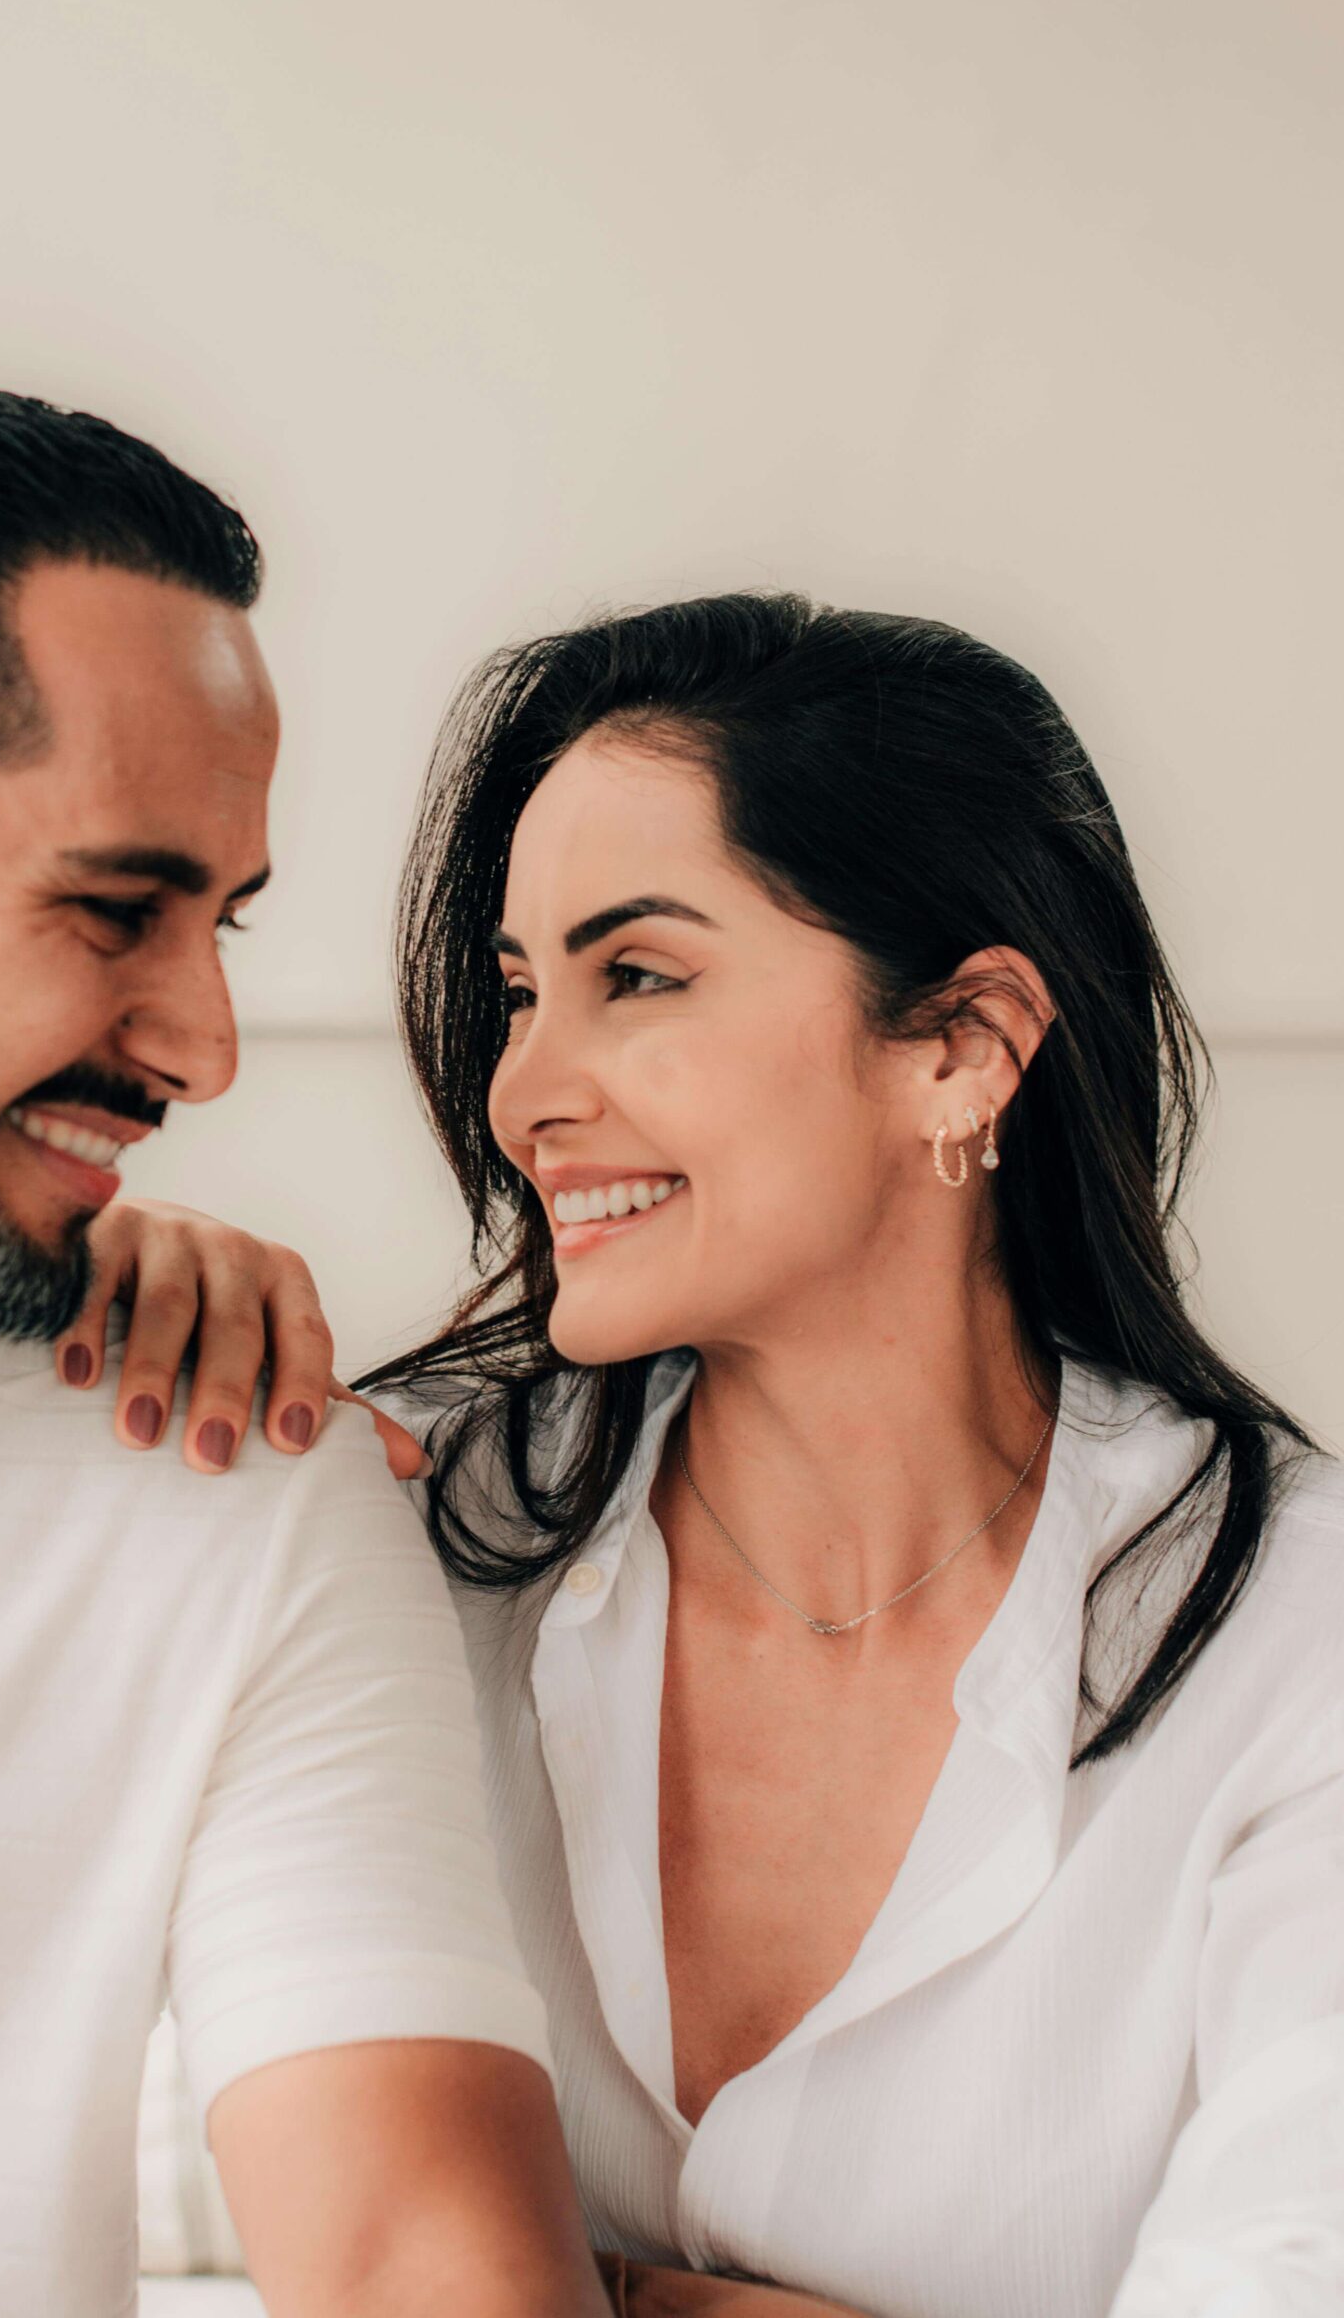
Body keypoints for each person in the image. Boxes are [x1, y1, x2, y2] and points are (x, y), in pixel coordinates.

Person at [88, 594, 1344, 2317]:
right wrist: (61, 1340)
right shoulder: (397, 1528)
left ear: (964, 1047)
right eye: (522, 990)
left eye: (640, 977)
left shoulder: (1299, 1635)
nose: (523, 1089)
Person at [0, 384, 612, 2318]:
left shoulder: (221, 1473)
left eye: (225, 925)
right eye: (113, 911)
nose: (206, 1047)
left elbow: (423, 2252)